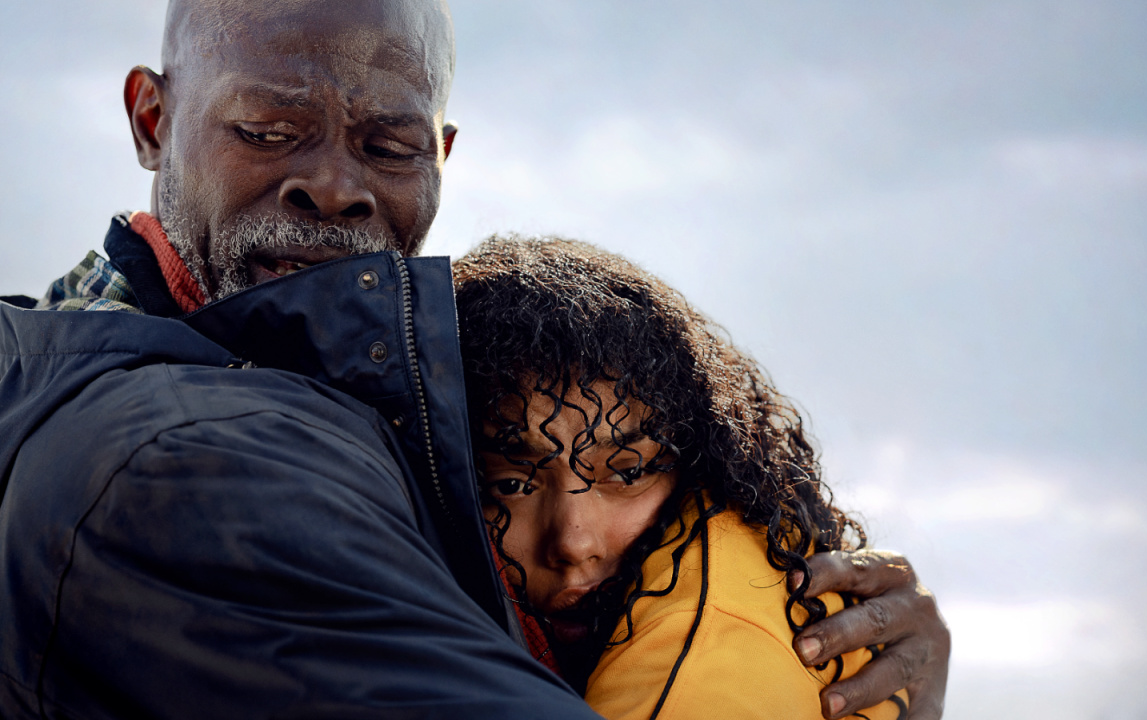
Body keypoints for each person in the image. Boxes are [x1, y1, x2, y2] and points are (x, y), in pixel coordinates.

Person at [0, 1, 948, 718]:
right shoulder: (184, 453)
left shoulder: (345, 407)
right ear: (151, 120)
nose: (333, 186)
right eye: (267, 130)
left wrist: (837, 658)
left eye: (391, 145)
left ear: (443, 154)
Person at [454, 236, 911, 719]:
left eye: (627, 472)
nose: (573, 541)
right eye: (511, 485)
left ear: (701, 463)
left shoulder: (733, 616)